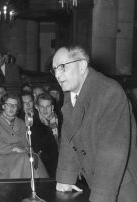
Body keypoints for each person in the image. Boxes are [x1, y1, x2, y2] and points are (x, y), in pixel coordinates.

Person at [52, 45, 137, 202]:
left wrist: (100, 197)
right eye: (55, 69)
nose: (57, 74)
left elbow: (111, 154)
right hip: (95, 181)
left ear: (82, 65)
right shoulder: (71, 92)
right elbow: (69, 136)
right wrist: (66, 177)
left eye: (62, 67)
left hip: (120, 187)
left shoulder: (109, 93)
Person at [0, 93, 48, 179]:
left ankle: (42, 186)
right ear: (3, 106)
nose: (12, 108)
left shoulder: (21, 123)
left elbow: (26, 143)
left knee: (34, 157)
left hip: (22, 155)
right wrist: (13, 149)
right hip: (2, 156)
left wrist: (27, 150)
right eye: (9, 105)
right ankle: (24, 188)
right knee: (24, 159)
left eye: (15, 105)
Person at [19, 91, 58, 177]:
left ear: (52, 107)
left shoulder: (60, 121)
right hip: (44, 167)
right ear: (37, 107)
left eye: (48, 106)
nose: (45, 110)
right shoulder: (33, 125)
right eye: (42, 107)